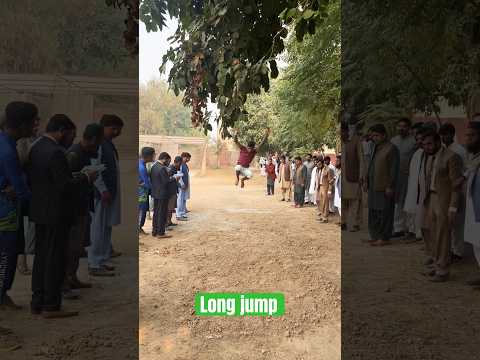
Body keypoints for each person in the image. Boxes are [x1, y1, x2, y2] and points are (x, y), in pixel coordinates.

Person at [29, 114, 97, 318]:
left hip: (40, 211)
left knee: (41, 258)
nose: (71, 139)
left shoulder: (37, 147)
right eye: (70, 135)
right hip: (57, 214)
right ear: (61, 131)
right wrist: (85, 177)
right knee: (55, 259)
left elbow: (50, 180)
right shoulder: (57, 152)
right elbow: (64, 187)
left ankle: (37, 301)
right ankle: (51, 305)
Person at [0, 102, 36, 310]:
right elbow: (20, 188)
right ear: (23, 125)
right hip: (6, 210)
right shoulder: (7, 151)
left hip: (8, 206)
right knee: (6, 254)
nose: (35, 127)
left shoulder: (7, 143)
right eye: (33, 122)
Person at [64, 123, 104, 296]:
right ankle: (65, 282)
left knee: (78, 247)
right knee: (71, 247)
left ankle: (72, 277)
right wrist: (87, 177)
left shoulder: (87, 153)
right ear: (94, 139)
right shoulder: (74, 154)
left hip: (82, 206)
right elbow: (67, 183)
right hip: (73, 208)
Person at [420, 130, 463, 282]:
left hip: (444, 200)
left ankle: (443, 270)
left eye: (430, 143)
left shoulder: (452, 157)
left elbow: (457, 185)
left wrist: (453, 206)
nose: (427, 147)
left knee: (443, 235)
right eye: (424, 144)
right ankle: (437, 263)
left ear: (439, 142)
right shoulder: (428, 157)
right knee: (430, 232)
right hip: (430, 198)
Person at [88, 114, 123, 277]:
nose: (117, 133)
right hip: (101, 194)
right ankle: (94, 263)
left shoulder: (108, 144)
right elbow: (95, 169)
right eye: (114, 129)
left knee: (106, 228)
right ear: (106, 127)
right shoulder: (99, 144)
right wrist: (102, 190)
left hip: (109, 193)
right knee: (98, 228)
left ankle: (102, 259)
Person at [15, 107, 40, 276]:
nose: (36, 124)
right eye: (34, 121)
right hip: (21, 190)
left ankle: (22, 260)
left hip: (30, 188)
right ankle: (21, 261)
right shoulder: (20, 142)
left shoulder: (34, 139)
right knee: (21, 228)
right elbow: (22, 161)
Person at [366, 124, 400, 246]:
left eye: (377, 135)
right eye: (373, 135)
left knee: (385, 213)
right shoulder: (375, 147)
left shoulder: (391, 148)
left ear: (384, 135)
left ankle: (384, 237)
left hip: (384, 187)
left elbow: (394, 169)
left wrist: (390, 186)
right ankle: (375, 236)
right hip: (373, 186)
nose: (374, 138)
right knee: (373, 212)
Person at [439, 123, 467, 261]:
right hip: (446, 190)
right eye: (442, 134)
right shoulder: (443, 150)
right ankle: (448, 250)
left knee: (457, 222)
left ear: (452, 134)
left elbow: (466, 169)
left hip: (459, 189)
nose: (444, 137)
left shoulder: (459, 150)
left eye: (446, 134)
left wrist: (461, 180)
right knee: (447, 221)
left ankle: (458, 252)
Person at [390, 118, 416, 238]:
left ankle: (411, 228)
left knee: (409, 201)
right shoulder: (393, 141)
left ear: (409, 128)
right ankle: (398, 228)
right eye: (399, 126)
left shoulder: (414, 141)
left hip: (410, 176)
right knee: (397, 202)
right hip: (396, 176)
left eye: (404, 126)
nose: (401, 128)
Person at [463, 122, 480, 286]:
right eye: (467, 135)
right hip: (474, 206)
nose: (468, 139)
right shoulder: (473, 157)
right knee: (477, 241)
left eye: (472, 135)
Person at [403, 128, 426, 242]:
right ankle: (413, 232)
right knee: (412, 210)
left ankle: (421, 234)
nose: (419, 142)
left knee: (422, 212)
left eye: (422, 139)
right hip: (413, 187)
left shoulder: (429, 153)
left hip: (424, 189)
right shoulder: (417, 153)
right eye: (417, 139)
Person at [341, 122, 363, 232]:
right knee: (343, 201)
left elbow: (361, 160)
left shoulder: (356, 141)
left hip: (353, 175)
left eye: (342, 132)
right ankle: (343, 222)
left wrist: (361, 175)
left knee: (355, 201)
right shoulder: (341, 142)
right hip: (342, 178)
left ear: (346, 131)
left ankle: (355, 223)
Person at [138, 147, 155, 235]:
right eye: (153, 155)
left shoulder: (142, 164)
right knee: (142, 210)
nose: (154, 157)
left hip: (142, 192)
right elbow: (146, 183)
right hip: (142, 194)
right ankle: (139, 228)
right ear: (148, 156)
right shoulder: (141, 167)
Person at [166, 156, 182, 228]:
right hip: (170, 191)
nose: (180, 165)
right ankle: (167, 222)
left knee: (172, 208)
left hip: (173, 191)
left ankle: (169, 221)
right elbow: (168, 180)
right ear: (178, 162)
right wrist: (175, 178)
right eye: (180, 163)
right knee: (169, 208)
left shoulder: (174, 168)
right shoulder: (171, 168)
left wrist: (177, 182)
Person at [317, 158, 335, 222]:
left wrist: (329, 190)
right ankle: (322, 215)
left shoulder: (328, 169)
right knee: (320, 202)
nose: (318, 165)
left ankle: (325, 217)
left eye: (319, 164)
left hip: (326, 187)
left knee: (326, 202)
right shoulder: (319, 169)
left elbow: (330, 181)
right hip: (320, 187)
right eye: (317, 164)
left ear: (322, 163)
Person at [176, 152, 191, 220]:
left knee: (184, 199)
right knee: (180, 199)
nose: (188, 160)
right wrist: (181, 184)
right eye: (188, 158)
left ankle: (183, 212)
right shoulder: (180, 164)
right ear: (184, 157)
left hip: (185, 184)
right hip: (182, 185)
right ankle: (179, 214)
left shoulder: (184, 164)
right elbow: (179, 175)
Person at [334, 155, 342, 221]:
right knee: (339, 206)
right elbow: (336, 177)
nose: (336, 162)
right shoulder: (337, 169)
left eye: (337, 161)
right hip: (337, 190)